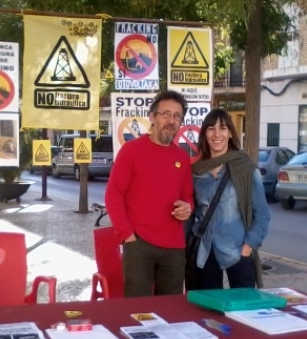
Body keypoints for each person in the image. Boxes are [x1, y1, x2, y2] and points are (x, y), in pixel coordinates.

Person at [105, 90, 194, 297]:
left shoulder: (182, 156)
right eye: (166, 114)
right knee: (138, 311)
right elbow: (113, 194)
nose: (171, 120)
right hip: (139, 244)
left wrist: (188, 207)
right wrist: (126, 234)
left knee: (170, 309)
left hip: (174, 247)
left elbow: (188, 196)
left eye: (177, 116)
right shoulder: (131, 151)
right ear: (152, 117)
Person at [188, 108, 271, 290]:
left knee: (242, 311)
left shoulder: (245, 168)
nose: (217, 134)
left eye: (223, 128)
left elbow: (262, 213)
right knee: (207, 310)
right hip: (204, 252)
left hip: (237, 251)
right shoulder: (197, 171)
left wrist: (248, 246)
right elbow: (191, 212)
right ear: (205, 134)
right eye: (211, 128)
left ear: (230, 133)